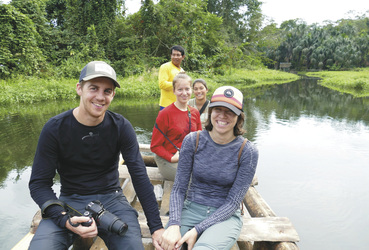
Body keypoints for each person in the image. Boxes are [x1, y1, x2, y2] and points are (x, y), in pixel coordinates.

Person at [28, 61, 164, 250]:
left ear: (113, 94)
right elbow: (39, 183)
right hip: (70, 200)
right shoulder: (55, 128)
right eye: (93, 88)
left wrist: (156, 227)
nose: (100, 97)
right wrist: (63, 218)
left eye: (107, 91)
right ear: (79, 88)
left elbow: (140, 177)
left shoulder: (121, 126)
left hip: (113, 199)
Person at [159, 86, 259, 250]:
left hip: (224, 216)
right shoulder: (193, 140)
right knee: (168, 246)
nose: (222, 116)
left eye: (230, 111)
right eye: (218, 109)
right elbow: (178, 189)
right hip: (191, 208)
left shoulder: (248, 151)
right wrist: (174, 224)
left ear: (239, 116)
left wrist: (197, 230)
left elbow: (233, 202)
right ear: (210, 111)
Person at [150, 73, 202, 181]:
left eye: (187, 89)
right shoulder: (165, 114)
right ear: (174, 91)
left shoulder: (195, 112)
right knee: (191, 179)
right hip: (168, 159)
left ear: (191, 90)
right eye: (180, 89)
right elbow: (155, 146)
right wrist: (172, 158)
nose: (184, 93)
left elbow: (200, 139)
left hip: (188, 158)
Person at [158, 45, 185, 110]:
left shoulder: (182, 71)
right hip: (166, 105)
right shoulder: (165, 67)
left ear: (183, 57)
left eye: (178, 55)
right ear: (171, 56)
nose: (175, 57)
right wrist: (178, 84)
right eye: (173, 55)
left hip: (179, 105)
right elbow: (162, 84)